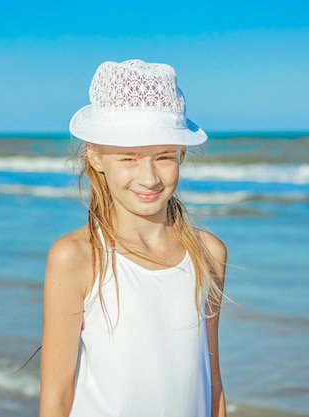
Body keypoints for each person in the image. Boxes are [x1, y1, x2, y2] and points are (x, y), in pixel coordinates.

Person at [39, 59, 227, 417]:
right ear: (95, 156)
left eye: (164, 157)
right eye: (128, 157)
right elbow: (57, 396)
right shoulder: (76, 256)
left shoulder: (208, 253)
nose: (149, 177)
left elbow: (212, 382)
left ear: (182, 154)